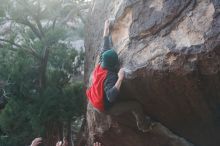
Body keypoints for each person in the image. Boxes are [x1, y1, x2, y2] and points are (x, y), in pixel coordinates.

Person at [86, 20, 154, 132]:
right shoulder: (111, 76)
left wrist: (105, 30)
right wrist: (121, 78)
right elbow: (111, 96)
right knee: (136, 105)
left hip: (94, 98)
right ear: (114, 64)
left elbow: (105, 47)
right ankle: (143, 126)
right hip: (103, 107)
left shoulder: (101, 63)